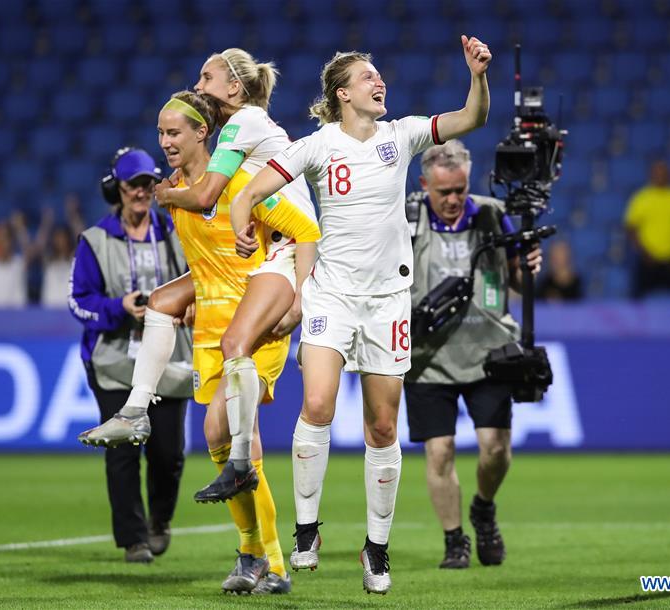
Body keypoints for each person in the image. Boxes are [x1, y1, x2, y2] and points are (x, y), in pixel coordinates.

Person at [229, 36, 493, 594]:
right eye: (368, 78)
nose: (380, 84)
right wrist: (239, 216)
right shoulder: (317, 146)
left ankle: (376, 548)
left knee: (381, 425)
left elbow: (473, 116)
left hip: (388, 302)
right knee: (319, 403)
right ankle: (306, 532)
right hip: (331, 296)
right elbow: (255, 187)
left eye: (380, 76)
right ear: (342, 93)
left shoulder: (404, 135)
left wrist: (477, 74)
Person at [79, 90, 319, 594]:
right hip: (211, 326)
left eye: (175, 133)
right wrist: (187, 295)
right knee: (217, 438)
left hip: (256, 325)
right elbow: (206, 260)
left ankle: (270, 563)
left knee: (237, 438)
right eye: (161, 133)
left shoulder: (239, 181)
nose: (165, 141)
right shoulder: (175, 191)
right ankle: (252, 555)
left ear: (201, 133)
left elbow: (303, 229)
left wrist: (298, 301)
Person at [402, 140, 541, 570]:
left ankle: (483, 508)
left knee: (495, 449)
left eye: (459, 189)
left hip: (490, 352)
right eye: (443, 191)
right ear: (425, 184)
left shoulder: (491, 215)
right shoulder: (407, 216)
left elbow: (517, 284)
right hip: (427, 357)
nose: (452, 199)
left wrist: (528, 267)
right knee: (439, 452)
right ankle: (453, 539)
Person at [69, 147, 192, 564]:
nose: (141, 192)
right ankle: (134, 539)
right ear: (116, 189)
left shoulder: (176, 230)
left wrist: (189, 307)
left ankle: (160, 519)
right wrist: (118, 307)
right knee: (122, 454)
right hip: (115, 361)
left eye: (146, 184)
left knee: (168, 452)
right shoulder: (95, 241)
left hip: (169, 358)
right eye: (132, 185)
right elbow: (78, 302)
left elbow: (203, 278)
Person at [623, 160, 670, 298]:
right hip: (648, 259)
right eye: (657, 174)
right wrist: (644, 253)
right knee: (639, 298)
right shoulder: (641, 198)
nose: (660, 176)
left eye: (663, 173)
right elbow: (631, 230)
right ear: (651, 176)